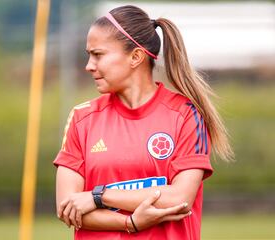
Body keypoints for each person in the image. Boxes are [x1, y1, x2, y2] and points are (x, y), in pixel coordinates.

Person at [54, 5, 233, 240]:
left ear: (136, 57)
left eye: (98, 54)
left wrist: (98, 196)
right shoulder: (82, 118)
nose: (89, 65)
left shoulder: (186, 115)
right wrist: (130, 223)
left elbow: (179, 198)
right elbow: (67, 207)